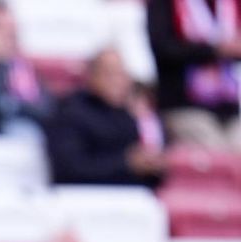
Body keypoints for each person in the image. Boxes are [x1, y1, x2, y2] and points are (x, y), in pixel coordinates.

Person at [47, 49, 167, 187]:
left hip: (130, 198)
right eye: (110, 74)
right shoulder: (70, 112)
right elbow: (69, 170)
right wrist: (126, 163)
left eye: (122, 74)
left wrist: (152, 165)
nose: (117, 82)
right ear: (91, 76)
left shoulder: (129, 116)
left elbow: (152, 176)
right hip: (81, 198)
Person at [147, 0, 241, 149]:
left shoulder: (230, 4)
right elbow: (163, 48)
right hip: (184, 106)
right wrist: (214, 51)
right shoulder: (165, 4)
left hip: (229, 107)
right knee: (216, 160)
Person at [0, 2, 50, 136]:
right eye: (0, 32)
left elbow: (45, 110)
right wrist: (0, 62)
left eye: (11, 33)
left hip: (25, 133)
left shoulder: (22, 64)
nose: (8, 39)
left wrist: (15, 106)